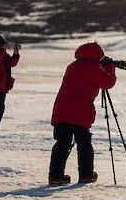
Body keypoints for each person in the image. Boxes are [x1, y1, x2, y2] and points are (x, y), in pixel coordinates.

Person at [49, 41, 116, 185]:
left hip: (62, 110)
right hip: (79, 111)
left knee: (62, 143)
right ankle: (86, 175)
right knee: (84, 143)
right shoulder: (92, 67)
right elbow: (107, 82)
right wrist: (110, 67)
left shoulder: (73, 65)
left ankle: (56, 176)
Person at [0, 35, 20, 131]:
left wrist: (16, 54)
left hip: (2, 88)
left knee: (0, 110)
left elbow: (11, 63)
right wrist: (1, 51)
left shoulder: (2, 53)